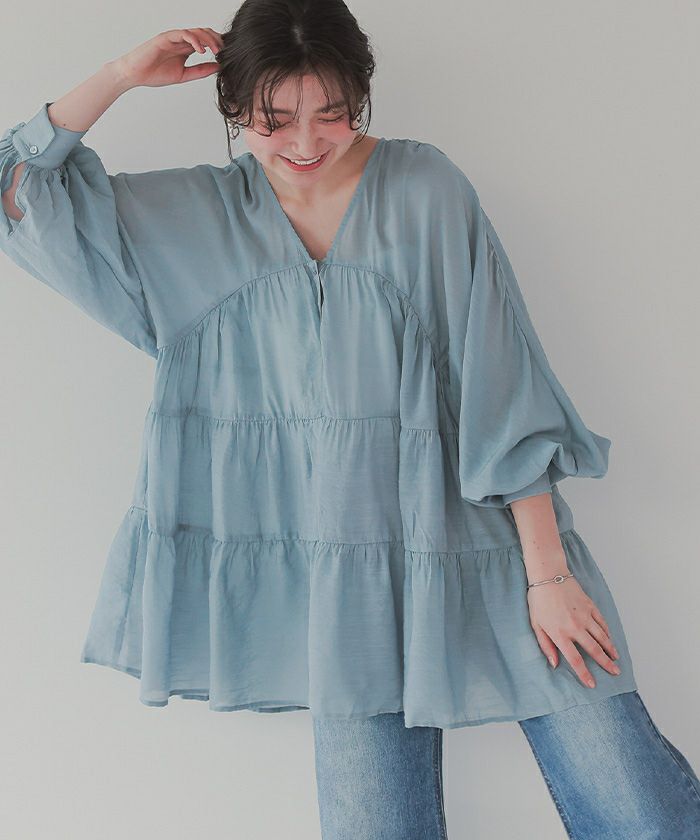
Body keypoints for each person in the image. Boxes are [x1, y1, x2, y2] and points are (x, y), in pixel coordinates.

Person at [1, 1, 698, 837]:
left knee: (641, 812)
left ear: (361, 97)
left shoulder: (424, 187)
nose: (305, 142)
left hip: (487, 549)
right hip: (338, 589)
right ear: (231, 106)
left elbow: (500, 377)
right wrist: (119, 75)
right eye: (273, 120)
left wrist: (547, 577)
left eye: (332, 113)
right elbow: (19, 191)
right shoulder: (189, 217)